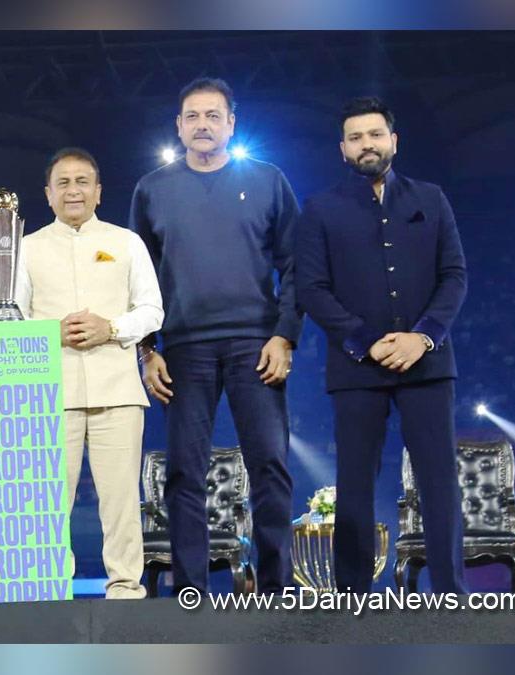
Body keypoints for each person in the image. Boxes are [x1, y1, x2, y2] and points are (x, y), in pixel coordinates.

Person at [131, 77, 299, 594]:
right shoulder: (152, 189)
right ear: (178, 127)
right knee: (185, 473)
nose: (202, 125)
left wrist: (285, 336)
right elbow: (137, 279)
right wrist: (147, 350)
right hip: (183, 349)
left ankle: (276, 591)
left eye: (213, 116)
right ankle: (192, 594)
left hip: (256, 345)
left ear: (231, 123)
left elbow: (296, 265)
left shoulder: (268, 180)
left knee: (270, 467)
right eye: (192, 116)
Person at [295, 96, 468, 593]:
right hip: (356, 369)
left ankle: (450, 591)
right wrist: (367, 343)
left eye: (374, 134)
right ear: (342, 149)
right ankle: (352, 594)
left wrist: (423, 337)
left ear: (394, 140)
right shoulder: (320, 209)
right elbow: (312, 288)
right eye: (355, 137)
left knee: (437, 480)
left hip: (427, 364)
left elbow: (454, 275)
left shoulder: (431, 199)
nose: (366, 144)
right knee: (354, 484)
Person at [16, 148, 164, 599]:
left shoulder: (126, 242)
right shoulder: (27, 246)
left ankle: (126, 588)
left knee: (120, 502)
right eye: (63, 182)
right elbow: (12, 318)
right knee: (48, 502)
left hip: (117, 391)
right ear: (48, 194)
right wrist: (50, 332)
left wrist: (111, 327)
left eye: (82, 181)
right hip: (51, 393)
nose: (73, 190)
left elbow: (152, 310)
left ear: (98, 191)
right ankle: (48, 588)